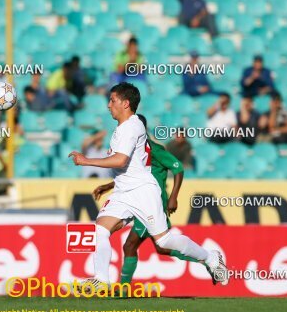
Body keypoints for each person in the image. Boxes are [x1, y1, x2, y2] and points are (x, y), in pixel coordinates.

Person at [68, 82, 228, 291]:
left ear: (126, 104)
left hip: (143, 192)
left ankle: (210, 257)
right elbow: (128, 167)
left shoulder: (132, 126)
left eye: (112, 100)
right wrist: (110, 186)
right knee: (100, 229)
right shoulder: (122, 129)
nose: (108, 105)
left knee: (164, 242)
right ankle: (101, 279)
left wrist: (87, 161)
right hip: (124, 193)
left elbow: (120, 161)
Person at [93, 114, 216, 290]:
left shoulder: (154, 149)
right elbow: (133, 177)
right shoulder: (134, 151)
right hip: (136, 201)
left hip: (150, 203)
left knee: (139, 244)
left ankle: (208, 259)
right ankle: (208, 260)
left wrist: (173, 197)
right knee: (157, 247)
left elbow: (178, 168)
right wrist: (108, 186)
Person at [266, 92, 287, 161]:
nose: (275, 104)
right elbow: (270, 128)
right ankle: (272, 158)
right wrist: (273, 111)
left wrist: (277, 129)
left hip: (283, 136)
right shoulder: (267, 113)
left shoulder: (285, 112)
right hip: (272, 138)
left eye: (277, 101)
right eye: (273, 101)